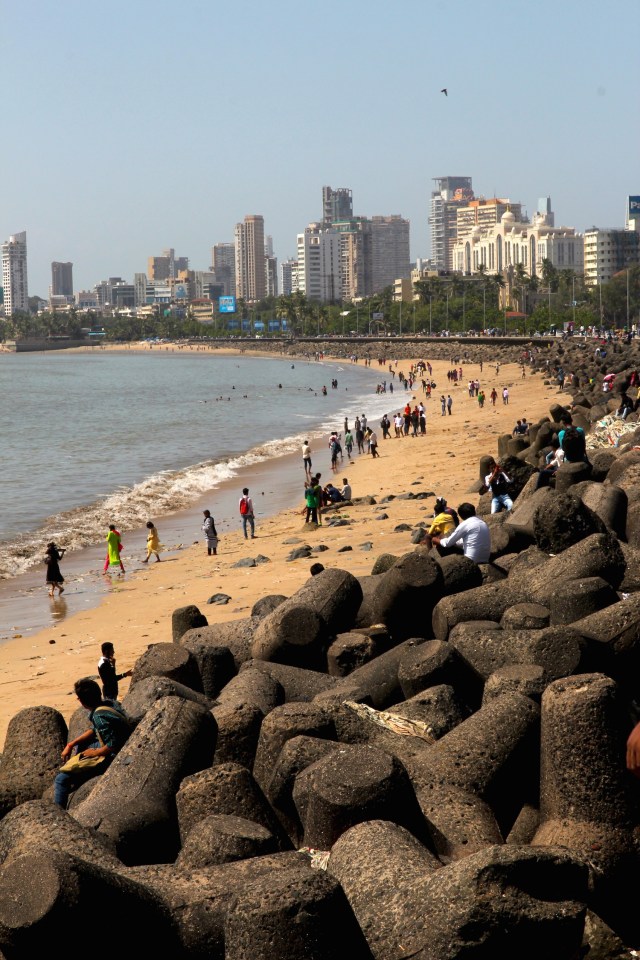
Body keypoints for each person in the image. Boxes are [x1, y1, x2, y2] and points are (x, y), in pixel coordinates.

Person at [54, 678, 130, 808]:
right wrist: (71, 744)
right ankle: (79, 772)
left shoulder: (98, 716)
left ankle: (58, 813)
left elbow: (113, 743)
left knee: (60, 779)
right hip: (120, 741)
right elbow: (96, 730)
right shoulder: (109, 704)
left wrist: (95, 752)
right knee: (82, 745)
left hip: (113, 754)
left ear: (81, 701)